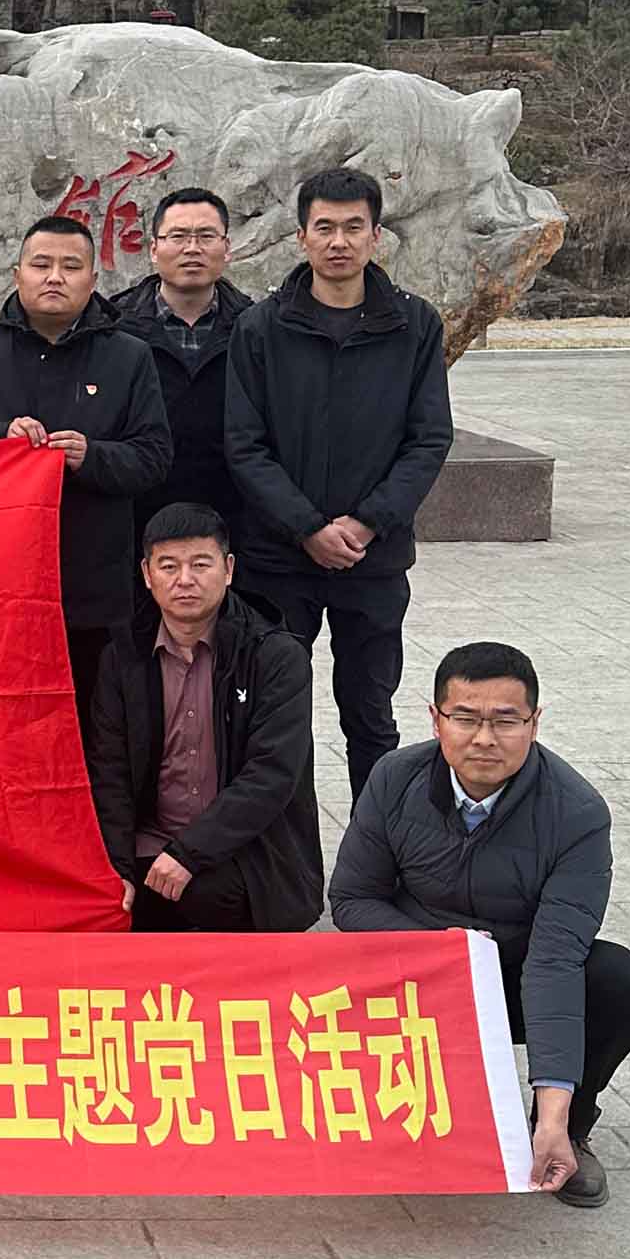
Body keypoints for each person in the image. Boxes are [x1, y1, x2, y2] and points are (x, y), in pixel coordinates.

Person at [330, 641, 630, 1207]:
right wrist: (443, 950)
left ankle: (566, 1131)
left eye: (505, 721)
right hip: (417, 970)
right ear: (436, 720)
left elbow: (556, 959)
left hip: (515, 976)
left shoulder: (576, 813)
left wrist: (552, 1114)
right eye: (465, 718)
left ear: (534, 722)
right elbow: (353, 899)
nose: (484, 738)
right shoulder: (394, 779)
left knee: (617, 980)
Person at [225, 165, 454, 800]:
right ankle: (284, 853)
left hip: (372, 560)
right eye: (324, 227)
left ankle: (374, 846)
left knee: (370, 717)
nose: (339, 242)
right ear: (301, 236)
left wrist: (367, 521)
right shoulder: (261, 328)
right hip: (279, 561)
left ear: (376, 236)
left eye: (354, 227)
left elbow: (429, 438)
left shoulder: (414, 325)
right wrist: (305, 527)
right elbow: (244, 444)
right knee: (274, 719)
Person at [0, 213, 173, 728]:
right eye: (41, 265)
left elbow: (153, 456)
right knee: (4, 724)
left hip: (94, 585)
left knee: (93, 725)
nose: (54, 277)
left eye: (70, 266)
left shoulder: (129, 357)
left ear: (93, 279)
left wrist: (91, 456)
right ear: (17, 274)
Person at [87, 503, 321, 934]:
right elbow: (110, 772)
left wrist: (189, 854)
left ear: (228, 569)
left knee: (205, 893)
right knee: (103, 899)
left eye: (200, 564)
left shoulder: (275, 655)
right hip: (152, 840)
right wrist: (116, 868)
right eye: (169, 566)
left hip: (245, 849)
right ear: (147, 574)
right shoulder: (123, 658)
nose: (185, 580)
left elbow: (271, 775)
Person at [109, 192, 256, 558]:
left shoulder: (256, 328)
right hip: (134, 523)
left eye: (206, 236)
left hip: (238, 523)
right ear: (154, 249)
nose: (192, 248)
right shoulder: (113, 330)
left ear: (227, 248)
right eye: (178, 236)